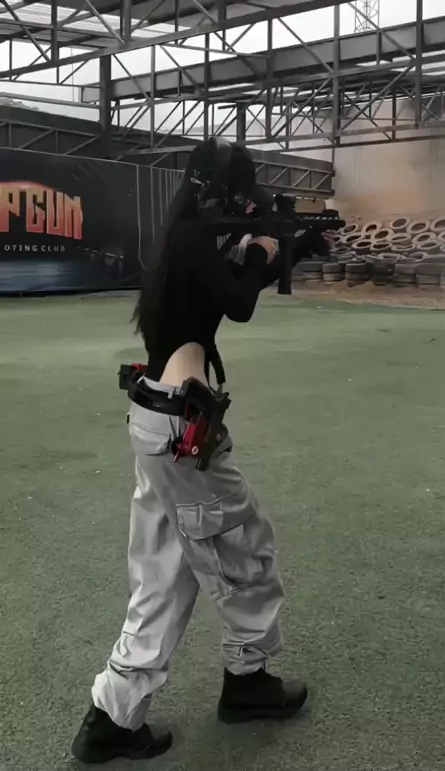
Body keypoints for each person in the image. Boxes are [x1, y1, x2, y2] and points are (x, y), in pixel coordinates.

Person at [71, 138, 326, 765]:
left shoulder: (185, 240)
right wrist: (263, 251)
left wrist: (289, 247)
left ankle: (113, 715)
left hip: (161, 423)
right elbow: (238, 303)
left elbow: (228, 290)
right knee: (245, 550)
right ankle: (248, 680)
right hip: (181, 432)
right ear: (222, 196)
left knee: (163, 574)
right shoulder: (193, 242)